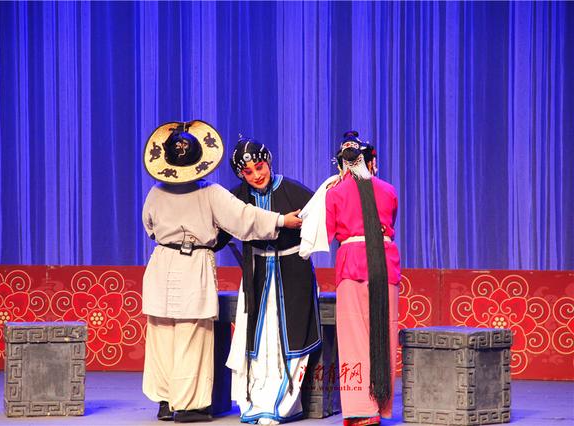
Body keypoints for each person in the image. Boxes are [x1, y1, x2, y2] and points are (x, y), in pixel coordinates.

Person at [141, 121, 302, 423]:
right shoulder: (210, 193)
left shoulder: (155, 192)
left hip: (162, 261)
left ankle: (164, 401)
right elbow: (244, 218)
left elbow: (149, 227)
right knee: (191, 335)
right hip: (192, 264)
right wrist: (281, 221)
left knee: (162, 334)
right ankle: (187, 406)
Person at [218, 136, 321, 425]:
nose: (256, 175)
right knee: (258, 339)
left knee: (287, 337)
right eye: (247, 172)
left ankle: (283, 403)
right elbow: (220, 233)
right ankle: (254, 400)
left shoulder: (294, 190)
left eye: (259, 167)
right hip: (257, 273)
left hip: (293, 273)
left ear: (269, 162)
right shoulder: (236, 197)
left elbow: (320, 220)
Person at [325, 131, 400, 426]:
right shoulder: (388, 190)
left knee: (353, 335)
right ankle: (381, 404)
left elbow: (328, 231)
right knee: (385, 331)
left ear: (342, 164)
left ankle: (360, 409)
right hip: (384, 262)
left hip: (352, 262)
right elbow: (389, 223)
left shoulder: (335, 192)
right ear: (371, 163)